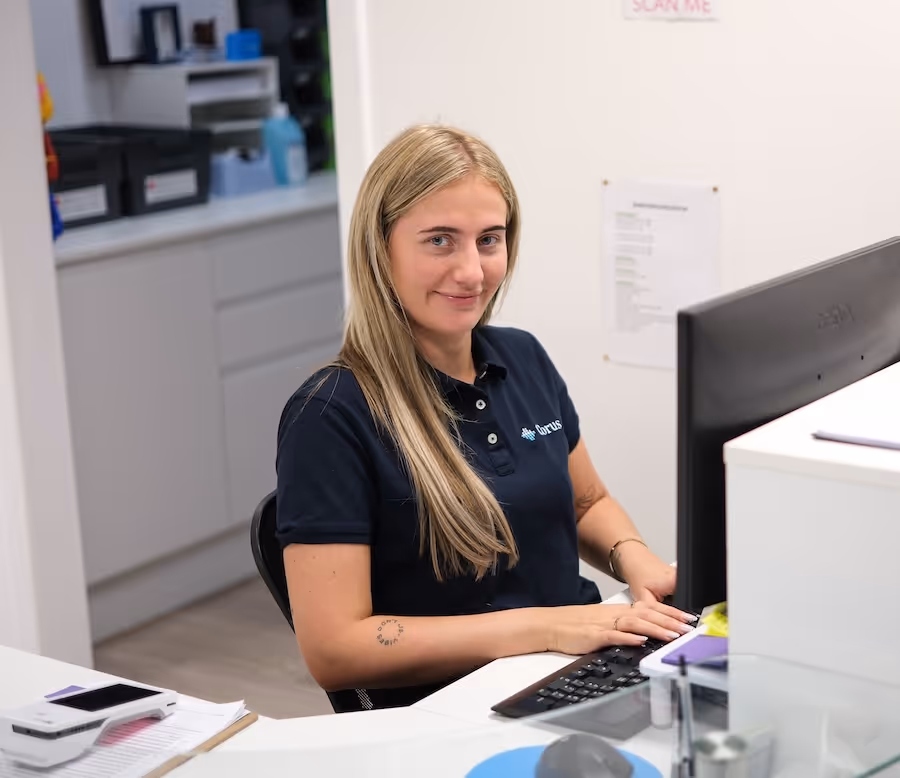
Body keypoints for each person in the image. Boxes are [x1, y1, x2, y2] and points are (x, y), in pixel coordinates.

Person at [275, 125, 695, 708]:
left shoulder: (521, 356)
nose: (472, 271)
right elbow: (335, 649)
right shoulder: (329, 416)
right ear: (380, 248)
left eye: (489, 240)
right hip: (463, 705)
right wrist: (546, 628)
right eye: (440, 241)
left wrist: (637, 561)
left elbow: (586, 503)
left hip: (579, 664)